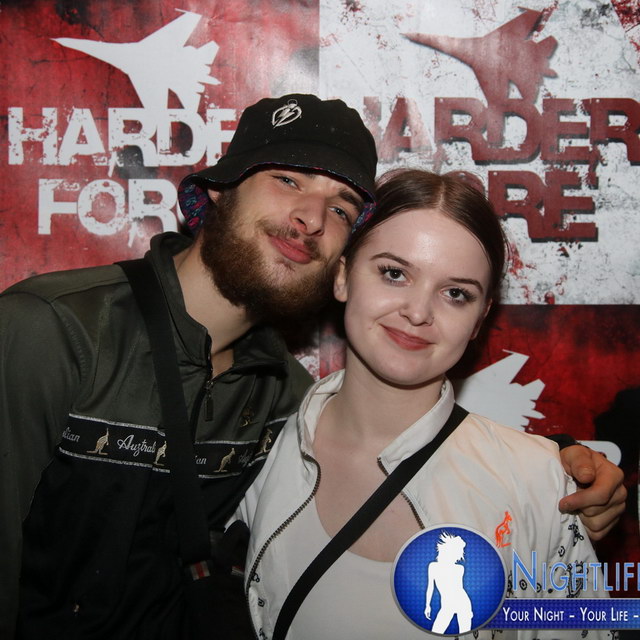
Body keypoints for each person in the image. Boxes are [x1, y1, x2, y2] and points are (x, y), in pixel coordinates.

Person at [0, 94, 623, 638]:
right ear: (218, 188)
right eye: (288, 180)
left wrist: (552, 470)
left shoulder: (278, 396)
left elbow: (583, 617)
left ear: (482, 315)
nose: (312, 218)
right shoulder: (56, 330)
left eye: (342, 207)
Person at [237, 169, 615, 639]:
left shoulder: (540, 482)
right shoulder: (255, 451)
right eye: (394, 273)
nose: (418, 312)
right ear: (343, 276)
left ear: (479, 319)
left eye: (455, 294)